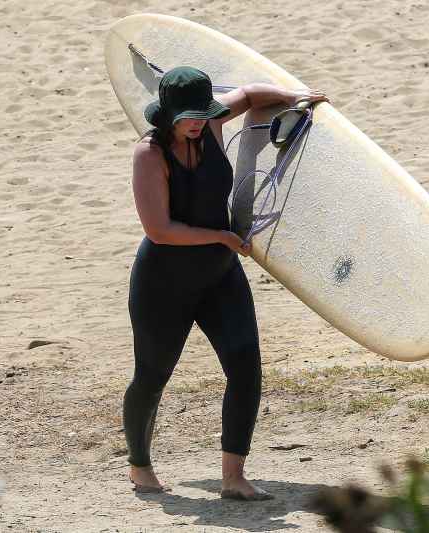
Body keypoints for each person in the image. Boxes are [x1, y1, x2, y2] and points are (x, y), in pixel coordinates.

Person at [123, 65, 327, 500]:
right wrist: (222, 236)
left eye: (204, 113)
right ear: (168, 115)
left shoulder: (212, 124)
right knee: (152, 375)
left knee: (245, 368)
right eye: (189, 117)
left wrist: (294, 96)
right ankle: (140, 466)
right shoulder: (149, 154)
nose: (199, 123)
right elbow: (159, 229)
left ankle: (233, 477)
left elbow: (250, 94)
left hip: (219, 275)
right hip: (164, 282)